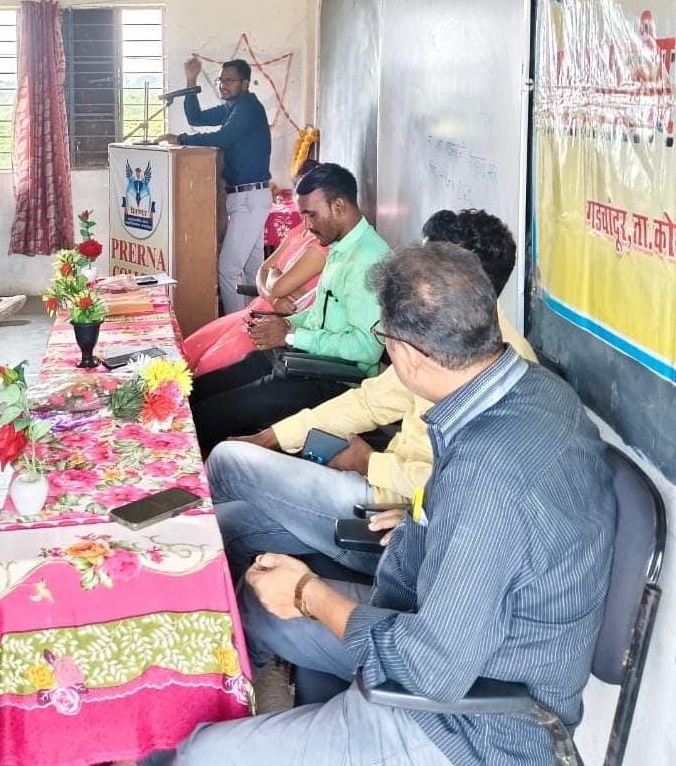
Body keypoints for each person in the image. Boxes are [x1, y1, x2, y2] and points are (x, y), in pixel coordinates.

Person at [141, 242, 616, 766]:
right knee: (255, 603)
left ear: (407, 353)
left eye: (383, 338)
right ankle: (249, 713)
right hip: (435, 624)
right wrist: (421, 520)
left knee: (198, 753)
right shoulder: (530, 390)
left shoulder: (489, 473)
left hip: (467, 727)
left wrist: (307, 594)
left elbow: (431, 669)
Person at [210, 209, 538, 578]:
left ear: (462, 285)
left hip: (395, 524)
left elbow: (461, 496)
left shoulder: (501, 376)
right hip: (375, 488)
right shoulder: (443, 337)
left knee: (227, 459)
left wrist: (370, 464)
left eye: (423, 273)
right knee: (228, 523)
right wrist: (270, 437)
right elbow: (371, 401)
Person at [189, 163, 389, 451]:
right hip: (302, 358)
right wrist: (286, 324)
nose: (306, 225)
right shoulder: (341, 247)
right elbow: (320, 314)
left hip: (332, 379)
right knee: (196, 392)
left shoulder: (368, 260)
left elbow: (365, 349)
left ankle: (196, 473)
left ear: (339, 206)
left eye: (311, 214)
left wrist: (291, 335)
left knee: (207, 417)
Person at [183, 161, 328, 376]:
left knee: (205, 368)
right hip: (256, 309)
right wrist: (274, 294)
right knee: (186, 351)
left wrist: (274, 282)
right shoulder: (299, 230)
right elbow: (264, 270)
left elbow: (279, 285)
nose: (304, 212)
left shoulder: (322, 244)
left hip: (273, 323)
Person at [156, 56, 272, 314]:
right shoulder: (231, 108)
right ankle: (257, 321)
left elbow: (224, 137)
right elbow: (196, 118)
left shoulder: (248, 107)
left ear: (245, 83)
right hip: (244, 197)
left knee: (228, 269)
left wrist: (180, 139)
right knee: (252, 269)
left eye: (230, 80)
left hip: (250, 198)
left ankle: (236, 326)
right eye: (221, 80)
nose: (223, 85)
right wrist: (191, 80)